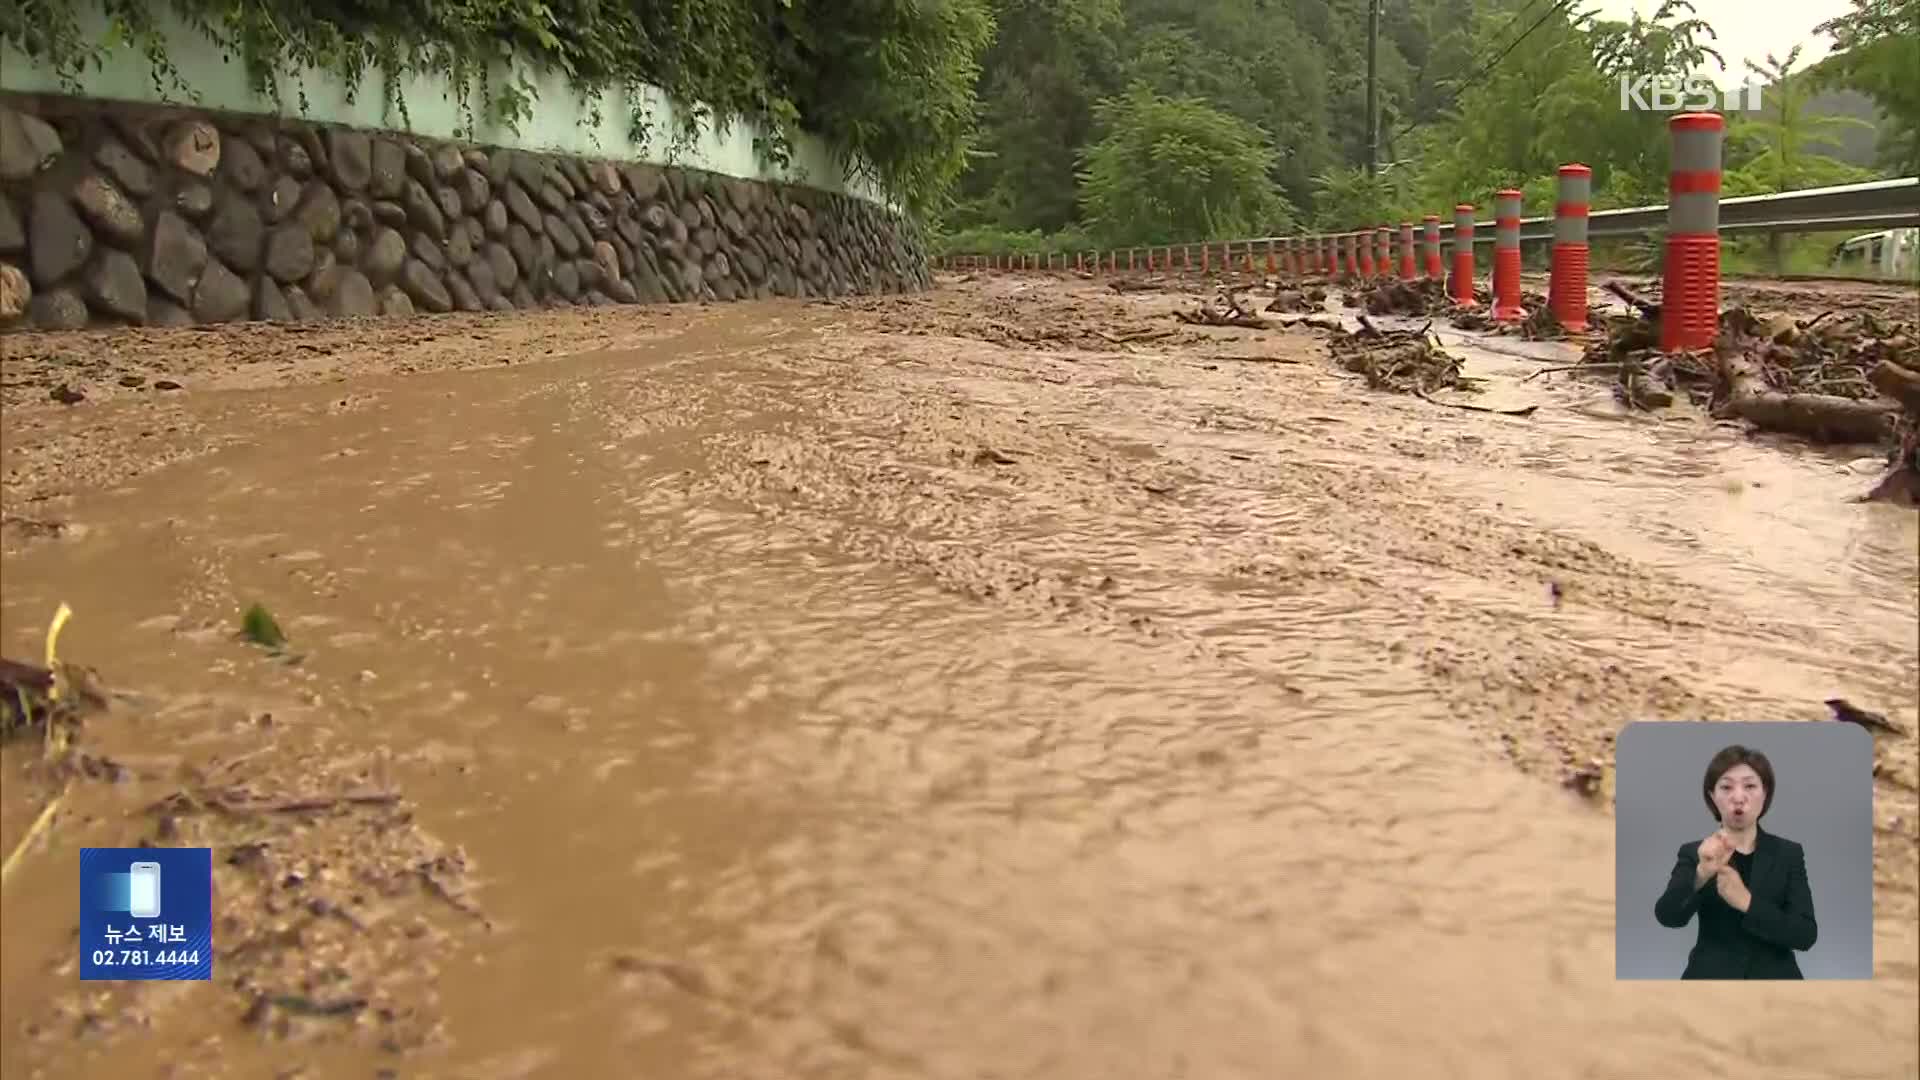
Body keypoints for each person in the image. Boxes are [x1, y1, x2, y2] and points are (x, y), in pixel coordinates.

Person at [1654, 745, 1818, 979]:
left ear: (1765, 793)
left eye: (1750, 786)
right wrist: (1701, 874)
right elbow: (1668, 917)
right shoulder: (1694, 853)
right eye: (1726, 787)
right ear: (1712, 796)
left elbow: (1805, 935)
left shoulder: (1788, 853)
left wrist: (1747, 902)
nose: (1738, 797)